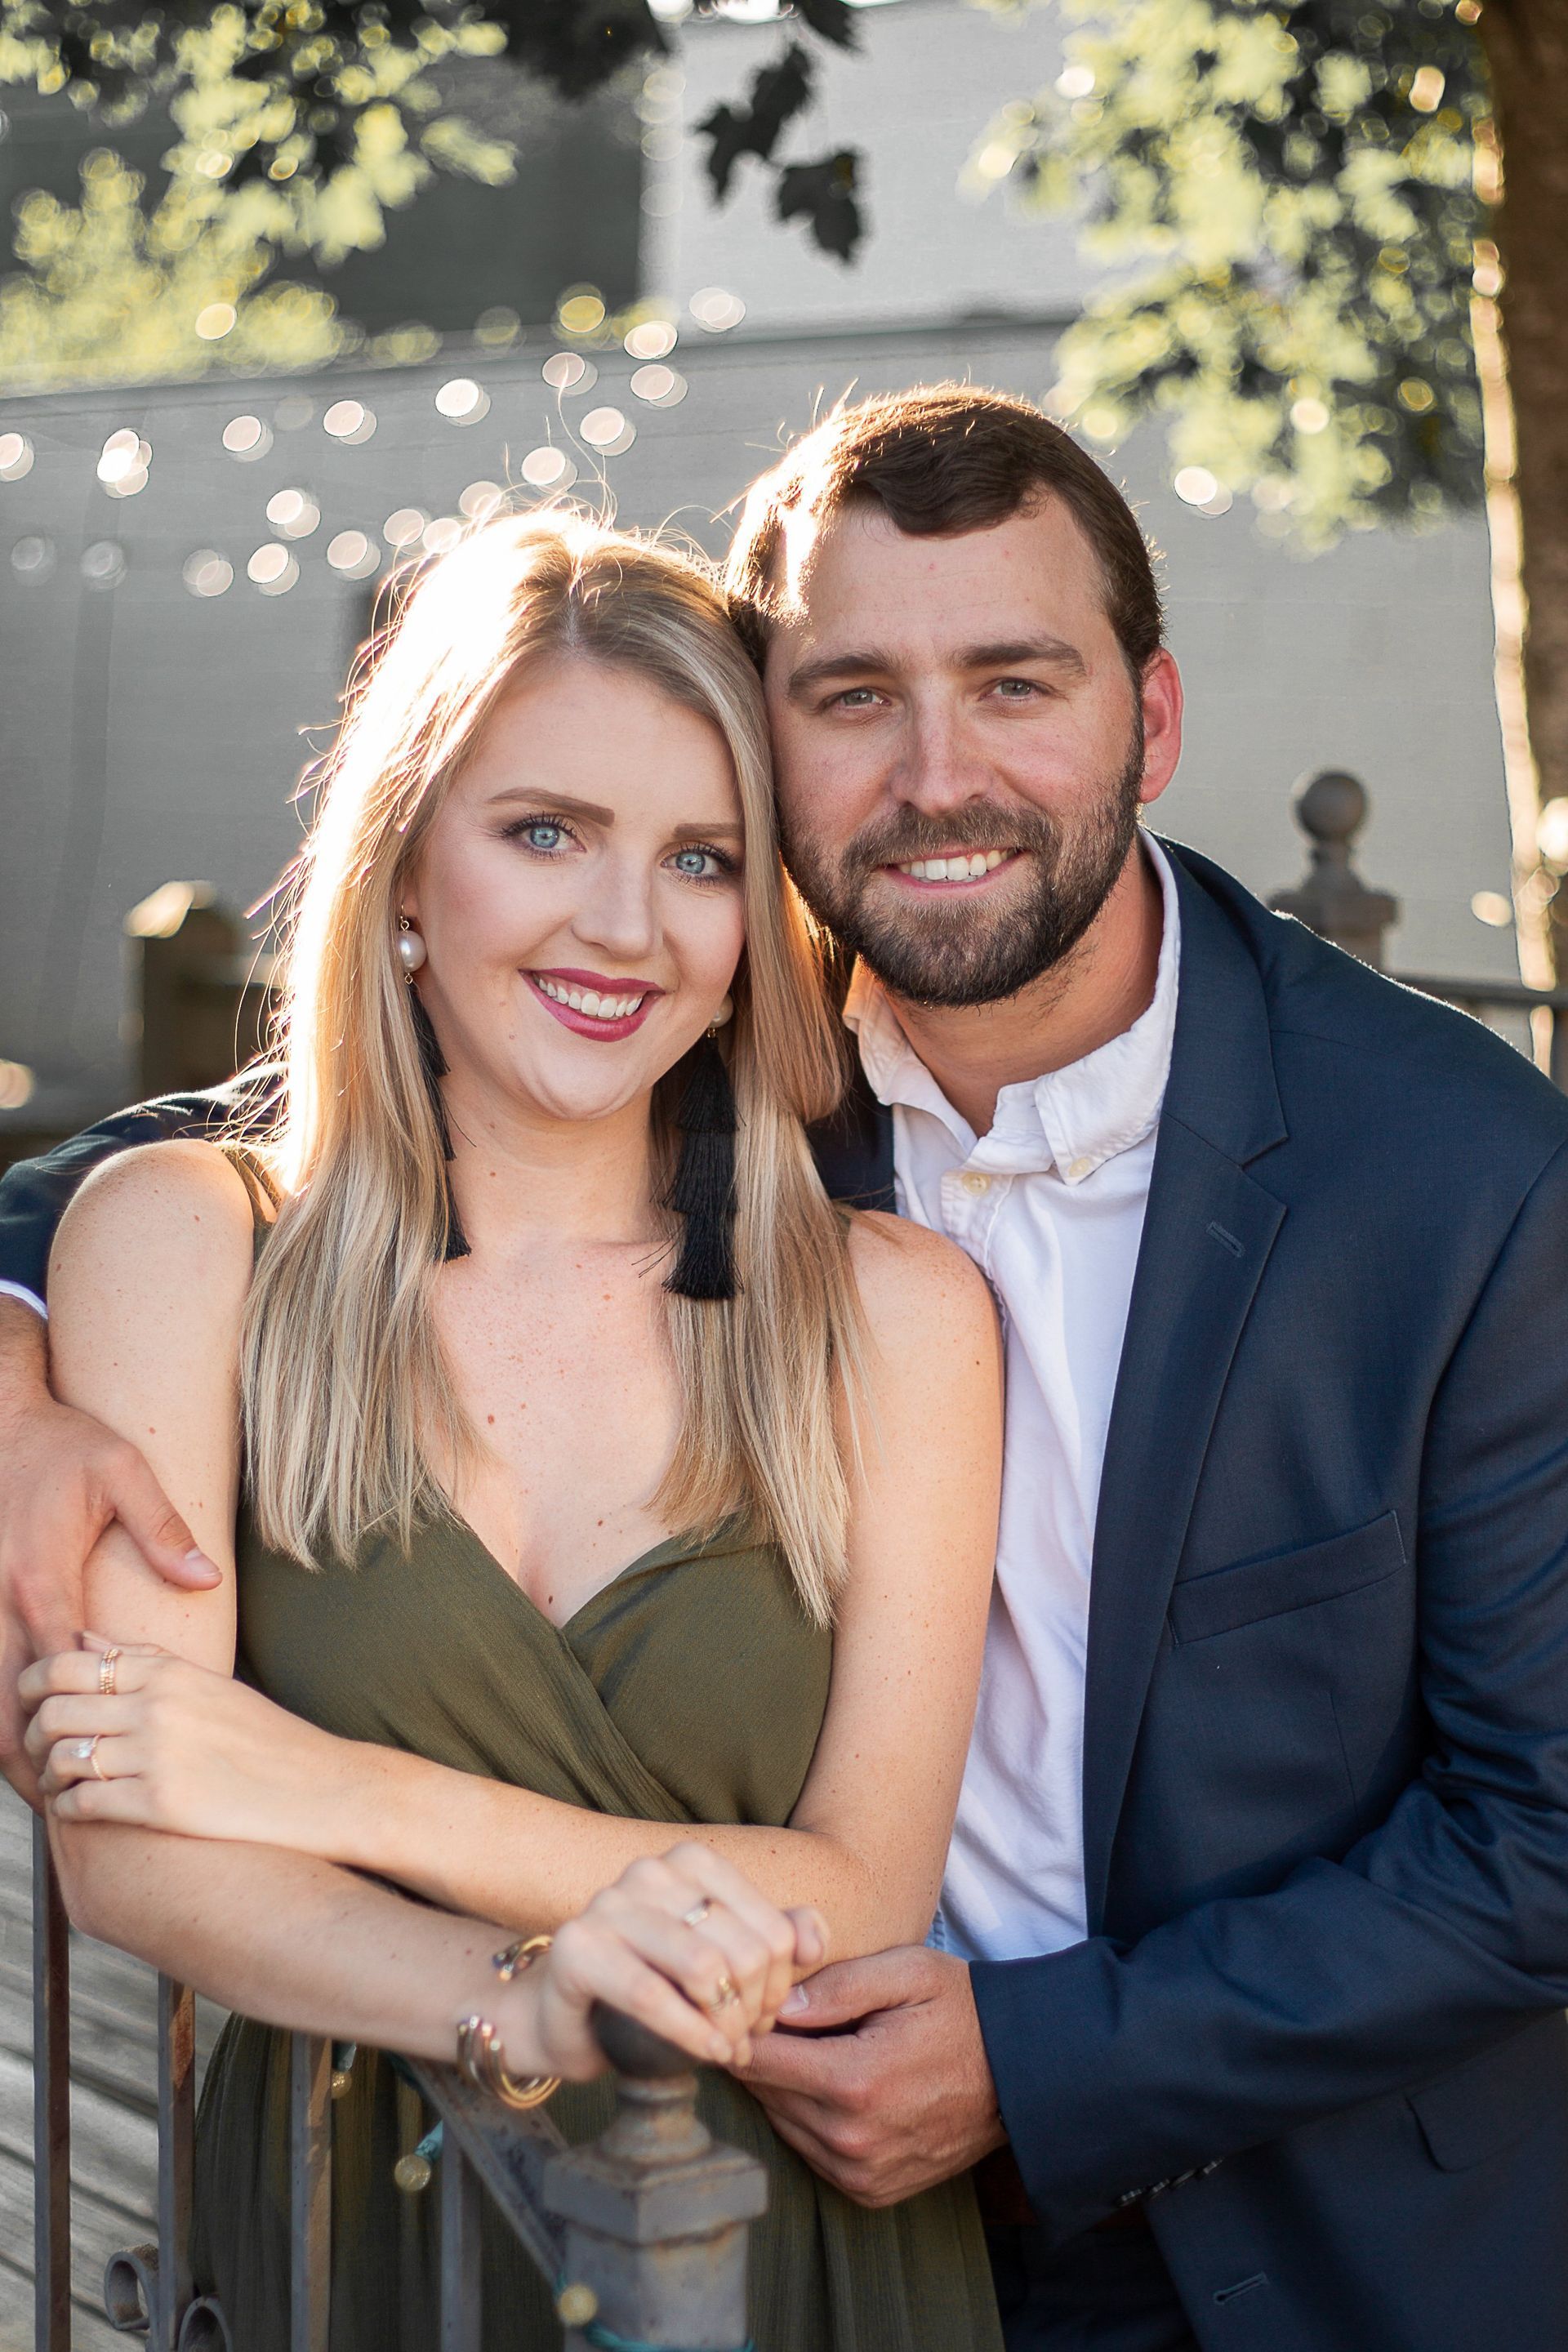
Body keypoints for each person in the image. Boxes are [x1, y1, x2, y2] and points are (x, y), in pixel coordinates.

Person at [6, 389, 1568, 2352]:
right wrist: (10, 1374)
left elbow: (1546, 1828)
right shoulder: (706, 1060)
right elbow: (239, 1163)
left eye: (1015, 683)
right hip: (642, 2158)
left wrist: (1041, 2062)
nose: (937, 776)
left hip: (1265, 2212)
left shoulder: (1458, 1173)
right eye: (850, 698)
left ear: (1150, 723)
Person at [5, 513, 1005, 2351]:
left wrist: (324, 1788)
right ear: (401, 874)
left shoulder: (891, 1317)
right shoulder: (187, 1247)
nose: (621, 927)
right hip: (346, 2211)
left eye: (700, 859)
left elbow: (859, 1891)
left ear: (750, 931)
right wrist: (520, 2005)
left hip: (785, 2238)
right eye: (544, 831)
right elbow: (132, 1836)